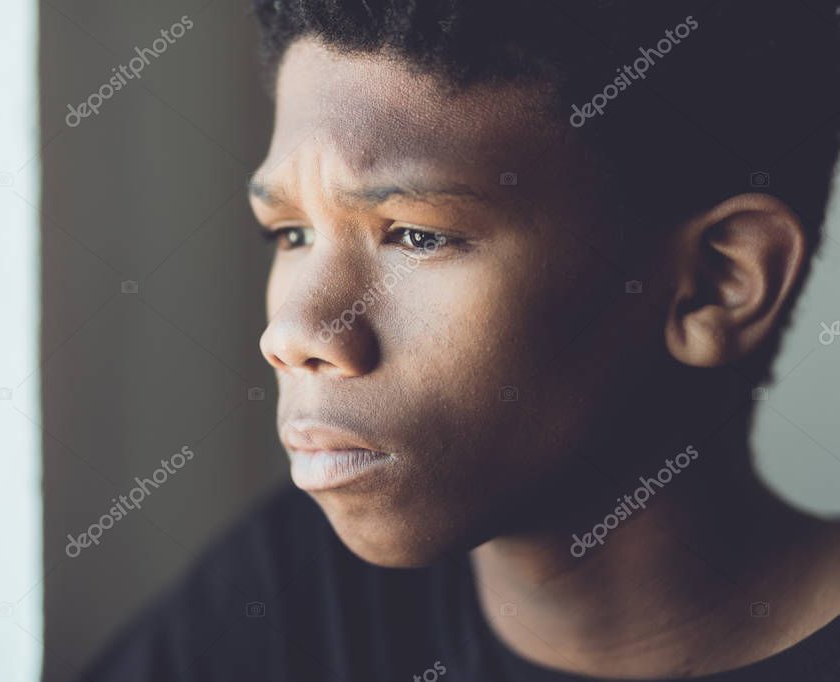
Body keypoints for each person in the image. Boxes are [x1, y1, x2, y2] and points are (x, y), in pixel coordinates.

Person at [82, 1, 840, 679]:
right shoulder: (296, 591)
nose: (294, 334)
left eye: (415, 236)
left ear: (715, 285)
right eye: (291, 233)